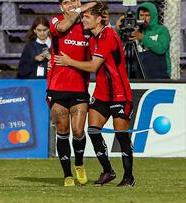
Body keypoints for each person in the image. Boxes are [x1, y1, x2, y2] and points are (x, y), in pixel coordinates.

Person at [55, 1, 135, 187]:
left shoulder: (109, 36)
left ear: (99, 19)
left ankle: (129, 177)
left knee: (122, 136)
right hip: (101, 94)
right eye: (83, 16)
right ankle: (108, 171)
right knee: (92, 130)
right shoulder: (92, 38)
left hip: (120, 94)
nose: (83, 19)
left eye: (87, 17)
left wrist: (68, 61)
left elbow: (92, 66)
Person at [47, 0, 96, 187]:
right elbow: (63, 26)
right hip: (58, 86)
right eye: (66, 2)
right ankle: (67, 175)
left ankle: (79, 163)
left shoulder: (86, 25)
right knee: (62, 130)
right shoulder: (56, 20)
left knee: (77, 131)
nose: (70, 5)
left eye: (74, 1)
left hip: (79, 87)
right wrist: (80, 9)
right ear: (61, 7)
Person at [115, 2, 171, 79]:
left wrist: (142, 38)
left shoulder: (162, 30)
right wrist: (118, 31)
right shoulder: (135, 31)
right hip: (138, 74)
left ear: (153, 15)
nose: (144, 18)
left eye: (147, 15)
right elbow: (116, 48)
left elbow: (161, 48)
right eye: (141, 15)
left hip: (159, 75)